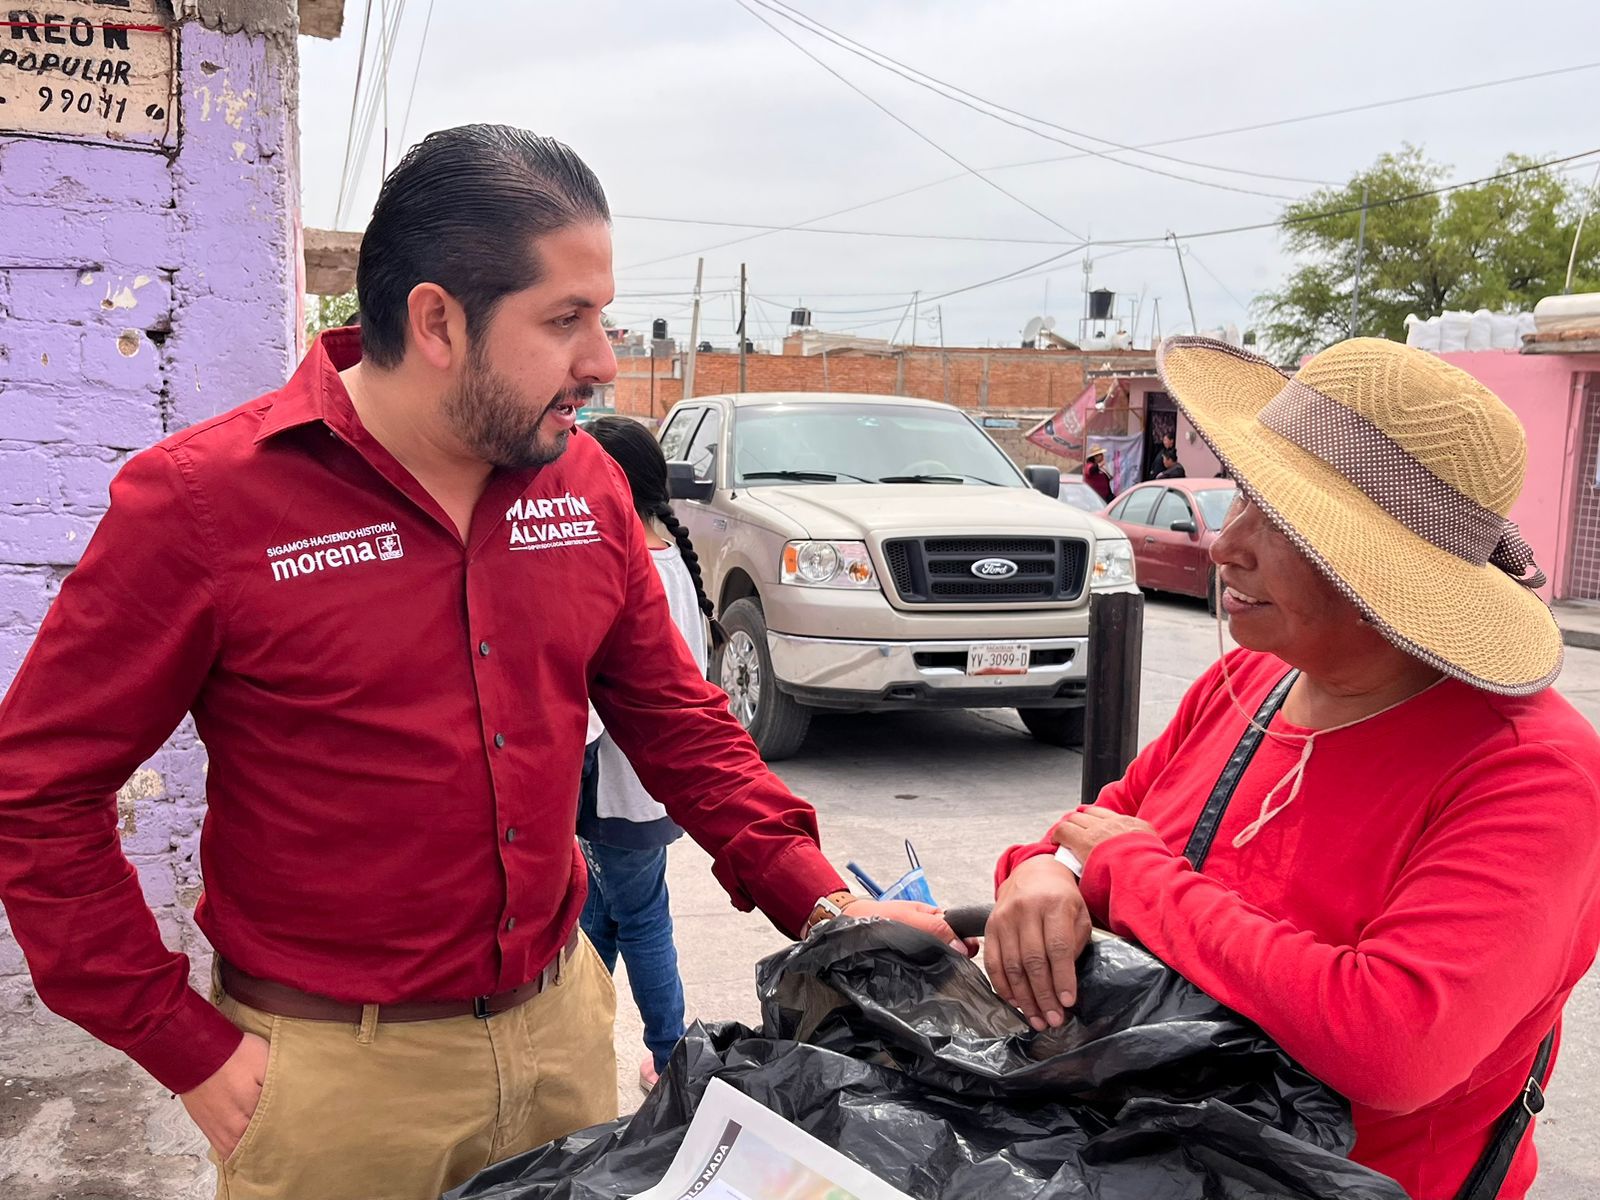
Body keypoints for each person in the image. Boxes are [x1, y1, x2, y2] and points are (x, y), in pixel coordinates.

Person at [0, 126, 958, 1200]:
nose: (602, 361)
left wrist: (824, 905)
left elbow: (678, 723)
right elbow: (37, 792)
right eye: (565, 321)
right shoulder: (204, 504)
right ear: (438, 320)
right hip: (332, 1090)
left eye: (602, 316)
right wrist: (185, 1045)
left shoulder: (583, 487)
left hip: (560, 1038)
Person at [985, 336, 1600, 1200]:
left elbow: (1391, 1042)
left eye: (1280, 521)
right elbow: (1093, 833)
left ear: (1388, 575)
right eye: (1243, 498)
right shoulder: (1252, 678)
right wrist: (1040, 873)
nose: (1226, 546)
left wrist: (1129, 875)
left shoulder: (1533, 771)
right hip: (1145, 1158)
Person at [577, 416, 717, 1096]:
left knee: (640, 915)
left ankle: (668, 1053)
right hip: (649, 787)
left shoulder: (630, 568)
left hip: (621, 785)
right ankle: (576, 1036)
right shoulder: (670, 557)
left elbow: (604, 704)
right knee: (596, 914)